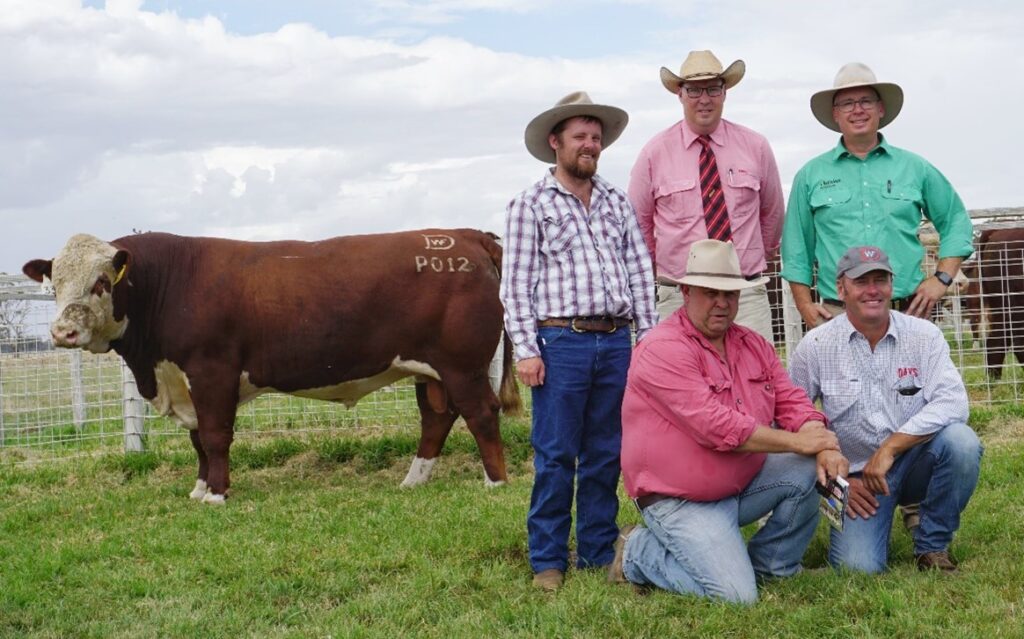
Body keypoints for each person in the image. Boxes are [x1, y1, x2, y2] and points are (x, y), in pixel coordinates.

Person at [609, 239, 846, 604]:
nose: (722, 302)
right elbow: (713, 425)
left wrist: (821, 439)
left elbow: (790, 399)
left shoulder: (752, 344)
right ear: (686, 292)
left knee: (805, 468)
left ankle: (774, 566)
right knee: (736, 596)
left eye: (730, 293)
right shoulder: (661, 348)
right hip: (678, 500)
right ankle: (636, 551)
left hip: (741, 483)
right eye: (710, 292)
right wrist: (799, 443)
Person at [500, 91, 658, 592]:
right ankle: (548, 559)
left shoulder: (616, 202)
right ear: (555, 143)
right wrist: (525, 348)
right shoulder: (530, 205)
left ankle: (595, 551)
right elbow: (516, 282)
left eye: (595, 137)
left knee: (606, 452)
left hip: (615, 341)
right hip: (559, 340)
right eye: (579, 138)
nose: (589, 145)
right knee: (554, 454)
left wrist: (647, 339)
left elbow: (639, 270)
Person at [788, 246, 982, 573]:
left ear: (892, 285)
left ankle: (933, 545)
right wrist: (838, 480)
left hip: (918, 459)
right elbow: (792, 416)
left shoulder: (924, 335)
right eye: (862, 281)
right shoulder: (816, 346)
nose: (873, 290)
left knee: (962, 442)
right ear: (841, 288)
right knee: (857, 569)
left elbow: (954, 402)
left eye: (881, 279)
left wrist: (891, 447)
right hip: (857, 478)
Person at [781, 62, 974, 328]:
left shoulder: (915, 168)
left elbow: (955, 221)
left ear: (881, 108)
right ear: (835, 114)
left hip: (908, 313)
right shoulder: (810, 176)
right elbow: (796, 247)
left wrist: (941, 279)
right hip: (838, 316)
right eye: (847, 103)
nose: (857, 110)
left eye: (866, 101)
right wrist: (804, 305)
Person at [629, 50, 785, 341]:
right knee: (680, 382)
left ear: (725, 92)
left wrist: (748, 261)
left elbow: (773, 215)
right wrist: (667, 276)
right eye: (694, 89)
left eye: (713, 88)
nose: (704, 98)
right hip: (680, 296)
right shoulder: (654, 153)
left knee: (754, 380)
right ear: (680, 93)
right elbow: (639, 226)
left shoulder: (756, 147)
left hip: (745, 294)